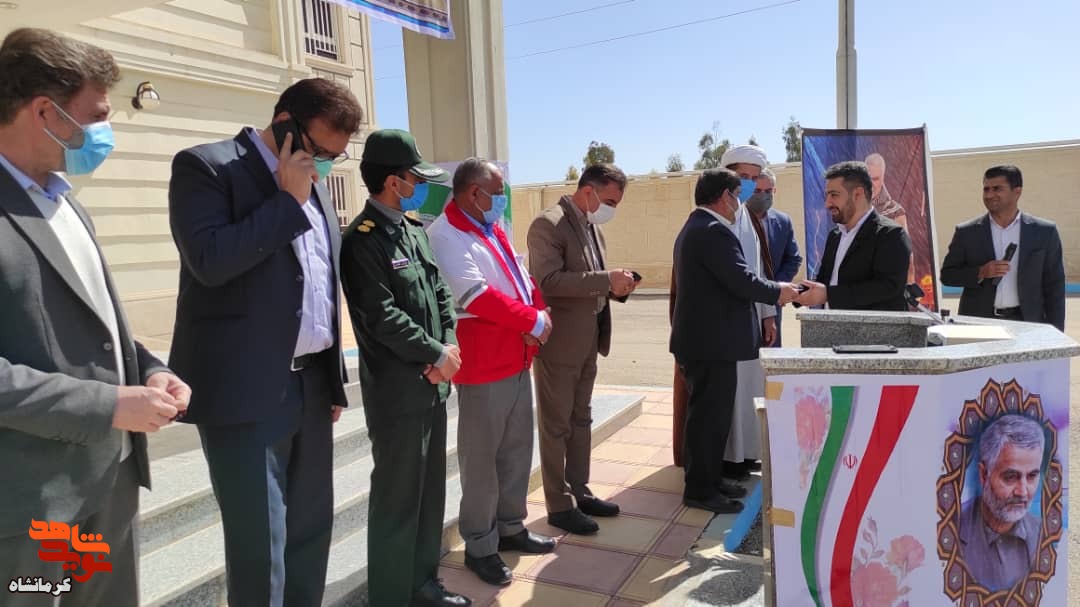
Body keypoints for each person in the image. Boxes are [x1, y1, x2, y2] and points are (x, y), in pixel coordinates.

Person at [0, 28, 190, 606]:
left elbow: (96, 322)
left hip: (108, 482)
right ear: (45, 112)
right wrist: (106, 404)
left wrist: (150, 369)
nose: (105, 132)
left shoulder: (62, 199)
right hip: (34, 503)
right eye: (97, 115)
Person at [167, 78, 358, 606]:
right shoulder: (208, 168)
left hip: (311, 388)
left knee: (311, 532)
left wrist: (331, 379)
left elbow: (320, 284)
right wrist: (286, 201)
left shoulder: (315, 184)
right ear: (284, 121)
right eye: (319, 150)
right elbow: (209, 261)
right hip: (244, 391)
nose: (324, 165)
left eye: (334, 157)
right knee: (260, 546)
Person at [340, 129, 470, 607]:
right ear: (394, 182)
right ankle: (392, 596)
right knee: (397, 500)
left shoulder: (414, 231)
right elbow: (381, 316)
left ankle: (423, 584)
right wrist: (436, 354)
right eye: (415, 178)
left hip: (432, 386)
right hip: (397, 393)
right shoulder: (362, 241)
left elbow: (440, 294)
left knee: (429, 495)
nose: (421, 187)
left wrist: (448, 347)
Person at [427, 158, 557, 587]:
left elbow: (519, 275)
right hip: (483, 365)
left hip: (517, 356)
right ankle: (481, 546)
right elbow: (476, 296)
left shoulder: (489, 226)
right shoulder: (446, 234)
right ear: (474, 193)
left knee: (516, 450)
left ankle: (510, 527)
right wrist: (532, 320)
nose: (502, 200)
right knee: (481, 460)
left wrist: (538, 311)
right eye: (497, 193)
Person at [669, 168, 798, 514]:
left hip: (708, 343)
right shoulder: (712, 231)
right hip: (710, 345)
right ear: (725, 196)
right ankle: (700, 490)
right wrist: (779, 291)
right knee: (708, 420)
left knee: (712, 418)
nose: (740, 204)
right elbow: (741, 280)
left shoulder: (699, 227)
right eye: (738, 195)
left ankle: (710, 479)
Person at [526, 163, 638, 535]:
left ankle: (580, 491)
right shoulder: (548, 224)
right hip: (559, 343)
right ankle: (558, 504)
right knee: (556, 425)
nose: (612, 210)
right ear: (588, 191)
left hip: (588, 339)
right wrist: (606, 280)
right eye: (609, 201)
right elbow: (548, 281)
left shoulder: (592, 226)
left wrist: (617, 286)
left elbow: (589, 281)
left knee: (581, 420)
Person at [717, 146, 781, 480]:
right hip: (725, 321)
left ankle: (746, 454)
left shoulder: (744, 214)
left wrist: (768, 313)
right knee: (730, 393)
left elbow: (759, 270)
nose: (749, 183)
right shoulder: (715, 214)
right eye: (743, 176)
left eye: (754, 178)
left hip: (751, 317)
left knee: (751, 386)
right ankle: (729, 459)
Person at [940, 165, 1065, 331]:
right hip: (979, 324)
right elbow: (947, 275)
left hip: (1028, 323)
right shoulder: (967, 232)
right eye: (986, 189)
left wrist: (1056, 333)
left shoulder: (1044, 232)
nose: (989, 195)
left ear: (1017, 192)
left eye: (997, 189)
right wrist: (980, 272)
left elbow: (1055, 286)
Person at [796, 161, 911, 310]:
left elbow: (887, 288)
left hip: (871, 326)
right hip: (830, 324)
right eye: (827, 195)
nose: (827, 203)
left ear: (858, 194)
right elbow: (824, 282)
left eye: (834, 195)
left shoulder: (891, 235)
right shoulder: (835, 236)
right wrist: (794, 292)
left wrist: (829, 295)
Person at [959, 414, 1044, 591]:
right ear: (984, 475)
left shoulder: (1045, 536)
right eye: (1011, 477)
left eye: (1031, 476)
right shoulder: (951, 532)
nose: (1023, 492)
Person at [748, 168, 802, 346]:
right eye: (757, 191)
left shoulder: (783, 221)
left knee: (771, 352)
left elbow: (793, 259)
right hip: (745, 303)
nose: (763, 196)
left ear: (775, 191)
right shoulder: (736, 221)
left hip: (773, 303)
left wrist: (775, 289)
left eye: (768, 191)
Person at [865, 153, 915, 285]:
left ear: (883, 177)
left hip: (884, 284)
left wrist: (909, 285)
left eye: (875, 179)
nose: (871, 184)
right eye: (868, 178)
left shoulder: (895, 211)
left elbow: (907, 254)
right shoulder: (851, 208)